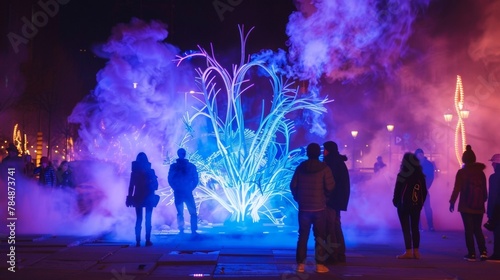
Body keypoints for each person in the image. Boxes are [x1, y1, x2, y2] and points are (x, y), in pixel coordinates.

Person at [290, 143, 335, 273]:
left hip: (304, 208)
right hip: (319, 208)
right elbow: (330, 186)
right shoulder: (324, 168)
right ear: (319, 153)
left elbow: (293, 185)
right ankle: (320, 265)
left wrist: (298, 198)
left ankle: (300, 264)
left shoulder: (300, 167)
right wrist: (324, 198)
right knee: (320, 236)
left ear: (307, 153)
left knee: (302, 236)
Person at [449, 145, 488, 261]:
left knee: (468, 230)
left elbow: (457, 188)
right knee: (478, 229)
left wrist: (452, 202)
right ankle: (483, 252)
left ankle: (471, 254)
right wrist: (481, 201)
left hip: (465, 206)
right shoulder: (481, 173)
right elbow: (485, 192)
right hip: (479, 206)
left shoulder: (462, 172)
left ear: (464, 159)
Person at [392, 152, 427, 259]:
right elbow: (424, 192)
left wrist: (396, 202)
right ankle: (416, 252)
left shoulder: (402, 174)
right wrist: (420, 204)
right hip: (416, 205)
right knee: (415, 227)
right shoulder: (420, 176)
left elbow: (397, 190)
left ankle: (408, 251)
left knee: (406, 228)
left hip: (403, 205)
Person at [323, 141, 350, 263]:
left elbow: (329, 183)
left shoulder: (331, 163)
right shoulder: (339, 162)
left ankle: (332, 255)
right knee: (336, 226)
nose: (323, 152)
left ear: (329, 150)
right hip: (339, 199)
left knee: (331, 227)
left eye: (325, 149)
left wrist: (326, 197)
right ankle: (340, 253)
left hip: (332, 200)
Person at [126, 152, 159, 247]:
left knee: (139, 219)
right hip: (147, 196)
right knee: (147, 219)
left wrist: (129, 197)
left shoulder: (134, 173)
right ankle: (147, 240)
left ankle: (138, 241)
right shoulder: (150, 171)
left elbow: (131, 187)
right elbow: (156, 186)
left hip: (139, 196)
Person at [168, 148, 199, 235]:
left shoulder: (176, 167)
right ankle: (187, 230)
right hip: (183, 192)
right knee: (186, 212)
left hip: (183, 192)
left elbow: (170, 179)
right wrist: (188, 188)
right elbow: (170, 179)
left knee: (186, 212)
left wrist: (178, 187)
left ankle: (187, 230)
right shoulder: (189, 166)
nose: (182, 154)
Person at [415, 148, 435, 231]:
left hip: (423, 189)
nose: (420, 155)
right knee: (417, 209)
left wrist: (426, 187)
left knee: (427, 208)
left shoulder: (428, 164)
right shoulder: (414, 165)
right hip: (416, 190)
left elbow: (431, 177)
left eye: (421, 154)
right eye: (418, 154)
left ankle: (430, 226)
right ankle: (420, 226)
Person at [485, 153, 500, 261]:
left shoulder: (494, 177)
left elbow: (493, 196)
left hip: (497, 209)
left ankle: (497, 254)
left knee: (497, 232)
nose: (492, 165)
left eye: (493, 163)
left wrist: (490, 212)